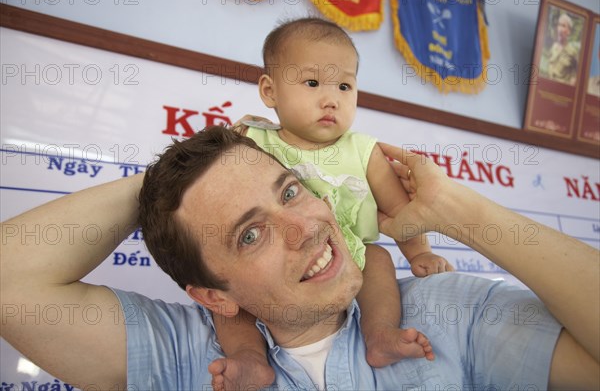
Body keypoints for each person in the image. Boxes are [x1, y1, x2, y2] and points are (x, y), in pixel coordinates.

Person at [1, 126, 598, 391]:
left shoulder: (449, 312)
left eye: (289, 191)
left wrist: (461, 211)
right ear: (214, 296)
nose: (307, 228)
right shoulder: (186, 357)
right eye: (250, 235)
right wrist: (164, 186)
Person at [214, 17, 452, 388]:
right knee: (232, 294)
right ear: (269, 91)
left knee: (377, 258)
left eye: (344, 85)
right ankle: (249, 357)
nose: (331, 99)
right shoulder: (252, 139)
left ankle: (380, 335)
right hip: (273, 263)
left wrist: (419, 252)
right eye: (312, 83)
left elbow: (400, 209)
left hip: (347, 258)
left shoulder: (364, 152)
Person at [544, 12, 579, 85]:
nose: (560, 28)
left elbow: (576, 75)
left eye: (563, 26)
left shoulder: (572, 52)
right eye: (559, 25)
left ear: (568, 31)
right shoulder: (553, 47)